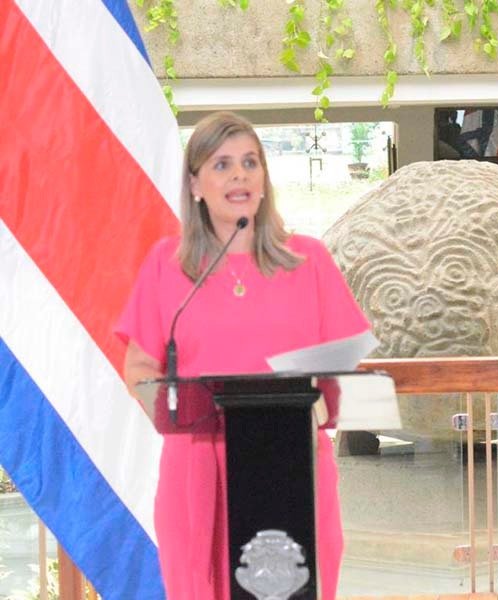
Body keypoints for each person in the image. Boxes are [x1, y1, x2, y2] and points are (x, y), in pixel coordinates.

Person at [116, 111, 370, 599]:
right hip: (198, 469)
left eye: (250, 162)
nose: (239, 175)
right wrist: (179, 407)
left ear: (264, 179)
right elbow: (140, 368)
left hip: (294, 462)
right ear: (196, 185)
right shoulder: (166, 268)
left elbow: (345, 367)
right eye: (222, 164)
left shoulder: (309, 260)